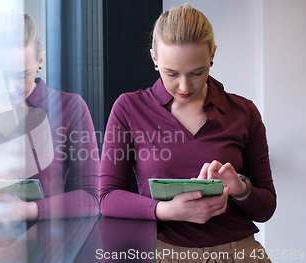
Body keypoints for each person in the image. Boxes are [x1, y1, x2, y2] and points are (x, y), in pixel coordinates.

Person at [99, 4, 276, 262]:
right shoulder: (129, 108)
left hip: (241, 254)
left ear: (212, 55)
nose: (184, 86)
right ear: (154, 58)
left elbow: (266, 207)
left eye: (197, 72)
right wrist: (166, 210)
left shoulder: (244, 112)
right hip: (164, 254)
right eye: (172, 73)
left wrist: (240, 188)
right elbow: (107, 198)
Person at [0, 10, 100, 262]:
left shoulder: (70, 107)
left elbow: (93, 198)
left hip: (40, 252)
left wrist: (21, 210)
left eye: (22, 75)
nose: (10, 88)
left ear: (41, 60)